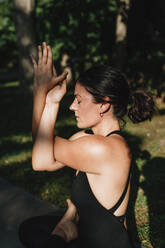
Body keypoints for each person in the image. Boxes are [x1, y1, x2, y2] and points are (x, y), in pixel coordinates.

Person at [19, 42, 154, 248]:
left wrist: (40, 94)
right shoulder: (85, 138)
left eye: (79, 100)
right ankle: (66, 230)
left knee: (47, 241)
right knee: (30, 229)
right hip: (87, 237)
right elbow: (42, 159)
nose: (72, 106)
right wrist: (51, 101)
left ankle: (65, 232)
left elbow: (40, 154)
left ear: (104, 104)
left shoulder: (102, 148)